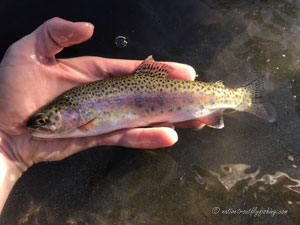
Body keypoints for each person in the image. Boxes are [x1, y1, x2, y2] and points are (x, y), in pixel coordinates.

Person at [0, 17, 204, 213]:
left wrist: (8, 147)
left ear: (69, 113)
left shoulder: (79, 114)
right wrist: (7, 146)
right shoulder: (74, 109)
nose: (39, 126)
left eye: (43, 121)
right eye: (42, 122)